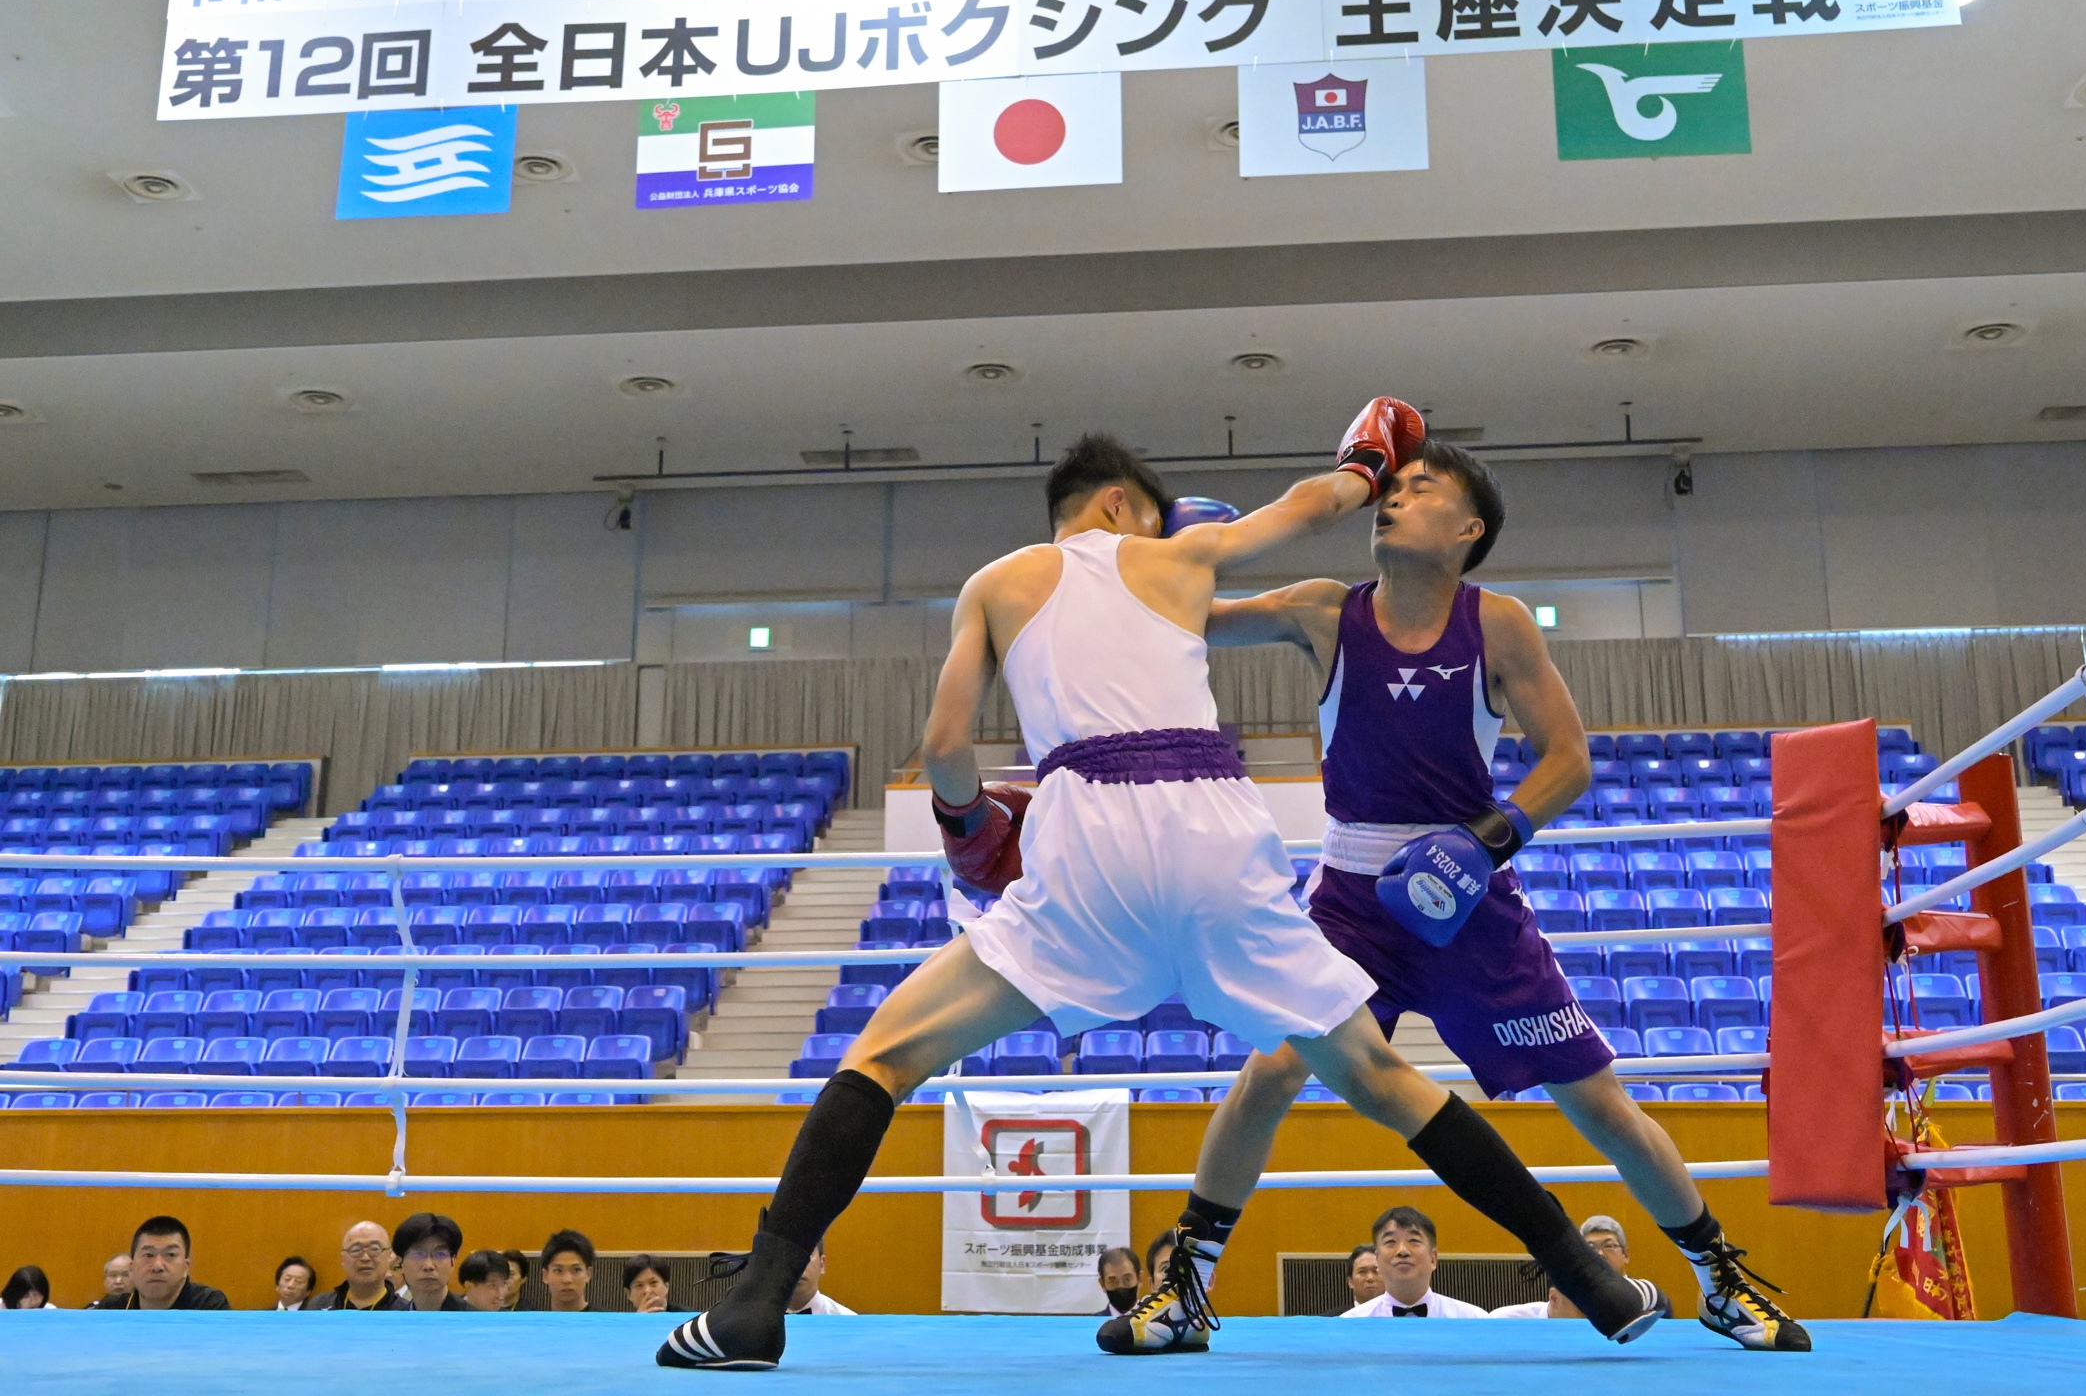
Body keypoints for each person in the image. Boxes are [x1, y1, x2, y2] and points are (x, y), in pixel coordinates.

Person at [657, 408, 1665, 1372]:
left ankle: (756, 1304)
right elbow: (1308, 508)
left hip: (1089, 832)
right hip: (1218, 830)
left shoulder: (997, 583)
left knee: (886, 1053)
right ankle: (1590, 1279)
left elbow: (945, 746)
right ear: (1120, 507)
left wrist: (969, 831)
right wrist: (1365, 467)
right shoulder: (1177, 559)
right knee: (1384, 1077)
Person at [1199, 444, 1806, 1353]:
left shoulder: (1497, 622)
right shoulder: (1324, 610)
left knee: (1597, 1102)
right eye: (1390, 488)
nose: (1393, 498)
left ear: (1468, 529)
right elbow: (1190, 622)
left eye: (1420, 489)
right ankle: (1189, 1284)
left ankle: (1720, 1279)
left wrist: (1488, 840)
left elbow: (1569, 759)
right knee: (1272, 1071)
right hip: (1353, 900)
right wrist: (1180, 554)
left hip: (1469, 899)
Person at [1493, 1217, 1672, 1319]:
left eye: (1609, 1246)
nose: (1600, 1254)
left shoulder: (1646, 1297)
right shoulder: (1509, 1319)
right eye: (1590, 1249)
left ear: (1625, 1254)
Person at [1341, 1207, 1486, 1318]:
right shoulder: (1349, 1325)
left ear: (1433, 1258)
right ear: (1377, 1259)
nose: (1402, 1250)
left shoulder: (1473, 1320)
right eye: (1390, 1242)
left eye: (1414, 1241)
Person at [91, 1217, 228, 1310]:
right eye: (149, 1255)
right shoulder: (113, 1308)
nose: (157, 1266)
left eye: (170, 1255)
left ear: (186, 1267)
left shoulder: (208, 1305)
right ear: (132, 1267)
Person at [306, 1221, 407, 1310]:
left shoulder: (405, 1311)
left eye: (374, 1249)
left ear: (389, 1256)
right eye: (356, 1250)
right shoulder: (320, 1305)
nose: (365, 1258)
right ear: (343, 1259)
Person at [393, 1213, 472, 1311]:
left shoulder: (475, 1319)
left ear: (453, 1261)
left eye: (440, 1254)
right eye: (418, 1254)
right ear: (400, 1263)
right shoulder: (394, 1319)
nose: (428, 1266)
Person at [784, 1243, 854, 1316]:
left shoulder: (850, 1320)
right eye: (786, 1254)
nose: (797, 1265)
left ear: (822, 1264)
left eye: (807, 1253)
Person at [539, 1231, 598, 1313]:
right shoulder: (532, 1320)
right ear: (545, 1275)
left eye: (576, 1270)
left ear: (588, 1274)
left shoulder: (608, 1320)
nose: (567, 1280)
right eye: (558, 1270)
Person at [1097, 1247, 1142, 1316]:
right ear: (1102, 1284)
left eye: (1127, 1279)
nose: (1121, 1286)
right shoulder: (1093, 1322)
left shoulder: (1155, 1320)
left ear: (1139, 1278)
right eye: (1113, 1281)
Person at [1342, 1244, 1383, 1309]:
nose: (1370, 1278)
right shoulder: (1335, 1316)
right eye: (1362, 1272)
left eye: (1375, 1271)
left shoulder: (1399, 1315)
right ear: (1350, 1282)